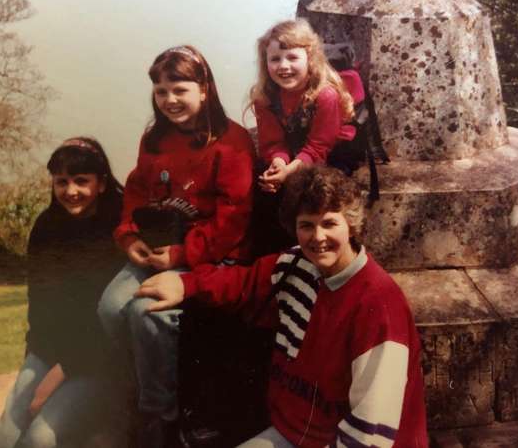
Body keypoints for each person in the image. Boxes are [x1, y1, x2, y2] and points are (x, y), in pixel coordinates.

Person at [137, 166, 428, 448]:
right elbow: (244, 282)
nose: (318, 237)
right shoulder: (297, 264)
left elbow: (372, 433)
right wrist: (187, 285)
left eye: (329, 223)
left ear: (350, 224)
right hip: (293, 432)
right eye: (306, 225)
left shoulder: (379, 304)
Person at [97, 45, 255, 447]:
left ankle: (161, 415)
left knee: (146, 311)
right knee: (110, 308)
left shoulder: (231, 142)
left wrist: (182, 256)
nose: (169, 100)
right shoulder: (155, 139)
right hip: (157, 247)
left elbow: (232, 218)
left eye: (179, 89)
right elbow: (136, 190)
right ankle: (141, 385)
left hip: (208, 254)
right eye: (161, 91)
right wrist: (129, 236)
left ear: (204, 89)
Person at [0, 137, 126, 448]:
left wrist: (58, 376)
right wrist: (36, 369)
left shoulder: (119, 230)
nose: (70, 191)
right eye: (61, 181)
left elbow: (108, 322)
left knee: (39, 439)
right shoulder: (46, 228)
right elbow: (41, 308)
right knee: (5, 439)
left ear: (101, 183)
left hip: (101, 362)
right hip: (51, 351)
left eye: (81, 181)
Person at [248, 18, 367, 256]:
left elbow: (318, 148)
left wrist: (289, 172)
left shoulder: (326, 96)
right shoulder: (265, 97)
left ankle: (310, 250)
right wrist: (278, 164)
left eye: (293, 58)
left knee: (312, 194)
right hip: (295, 149)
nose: (283, 66)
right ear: (265, 63)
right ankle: (268, 254)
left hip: (331, 153)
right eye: (275, 59)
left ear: (310, 59)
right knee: (260, 188)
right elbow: (273, 142)